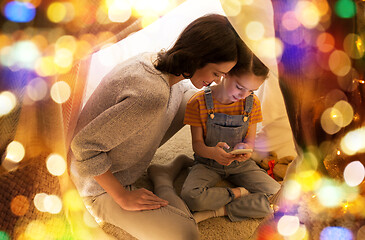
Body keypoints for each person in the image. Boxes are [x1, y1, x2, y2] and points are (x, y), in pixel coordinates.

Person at [69, 14, 245, 240]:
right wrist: (122, 196)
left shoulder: (156, 61)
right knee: (186, 233)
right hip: (96, 186)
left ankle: (161, 174)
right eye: (216, 74)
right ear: (198, 56)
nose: (218, 81)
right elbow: (83, 147)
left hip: (121, 156)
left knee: (193, 101)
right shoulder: (150, 94)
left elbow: (196, 99)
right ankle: (163, 179)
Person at [180, 50, 281, 223]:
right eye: (240, 87)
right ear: (225, 74)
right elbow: (197, 144)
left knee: (279, 197)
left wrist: (245, 150)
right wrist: (212, 153)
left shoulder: (252, 103)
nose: (243, 95)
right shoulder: (197, 102)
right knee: (190, 196)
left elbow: (250, 140)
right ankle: (239, 193)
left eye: (252, 90)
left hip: (240, 165)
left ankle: (220, 211)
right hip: (208, 163)